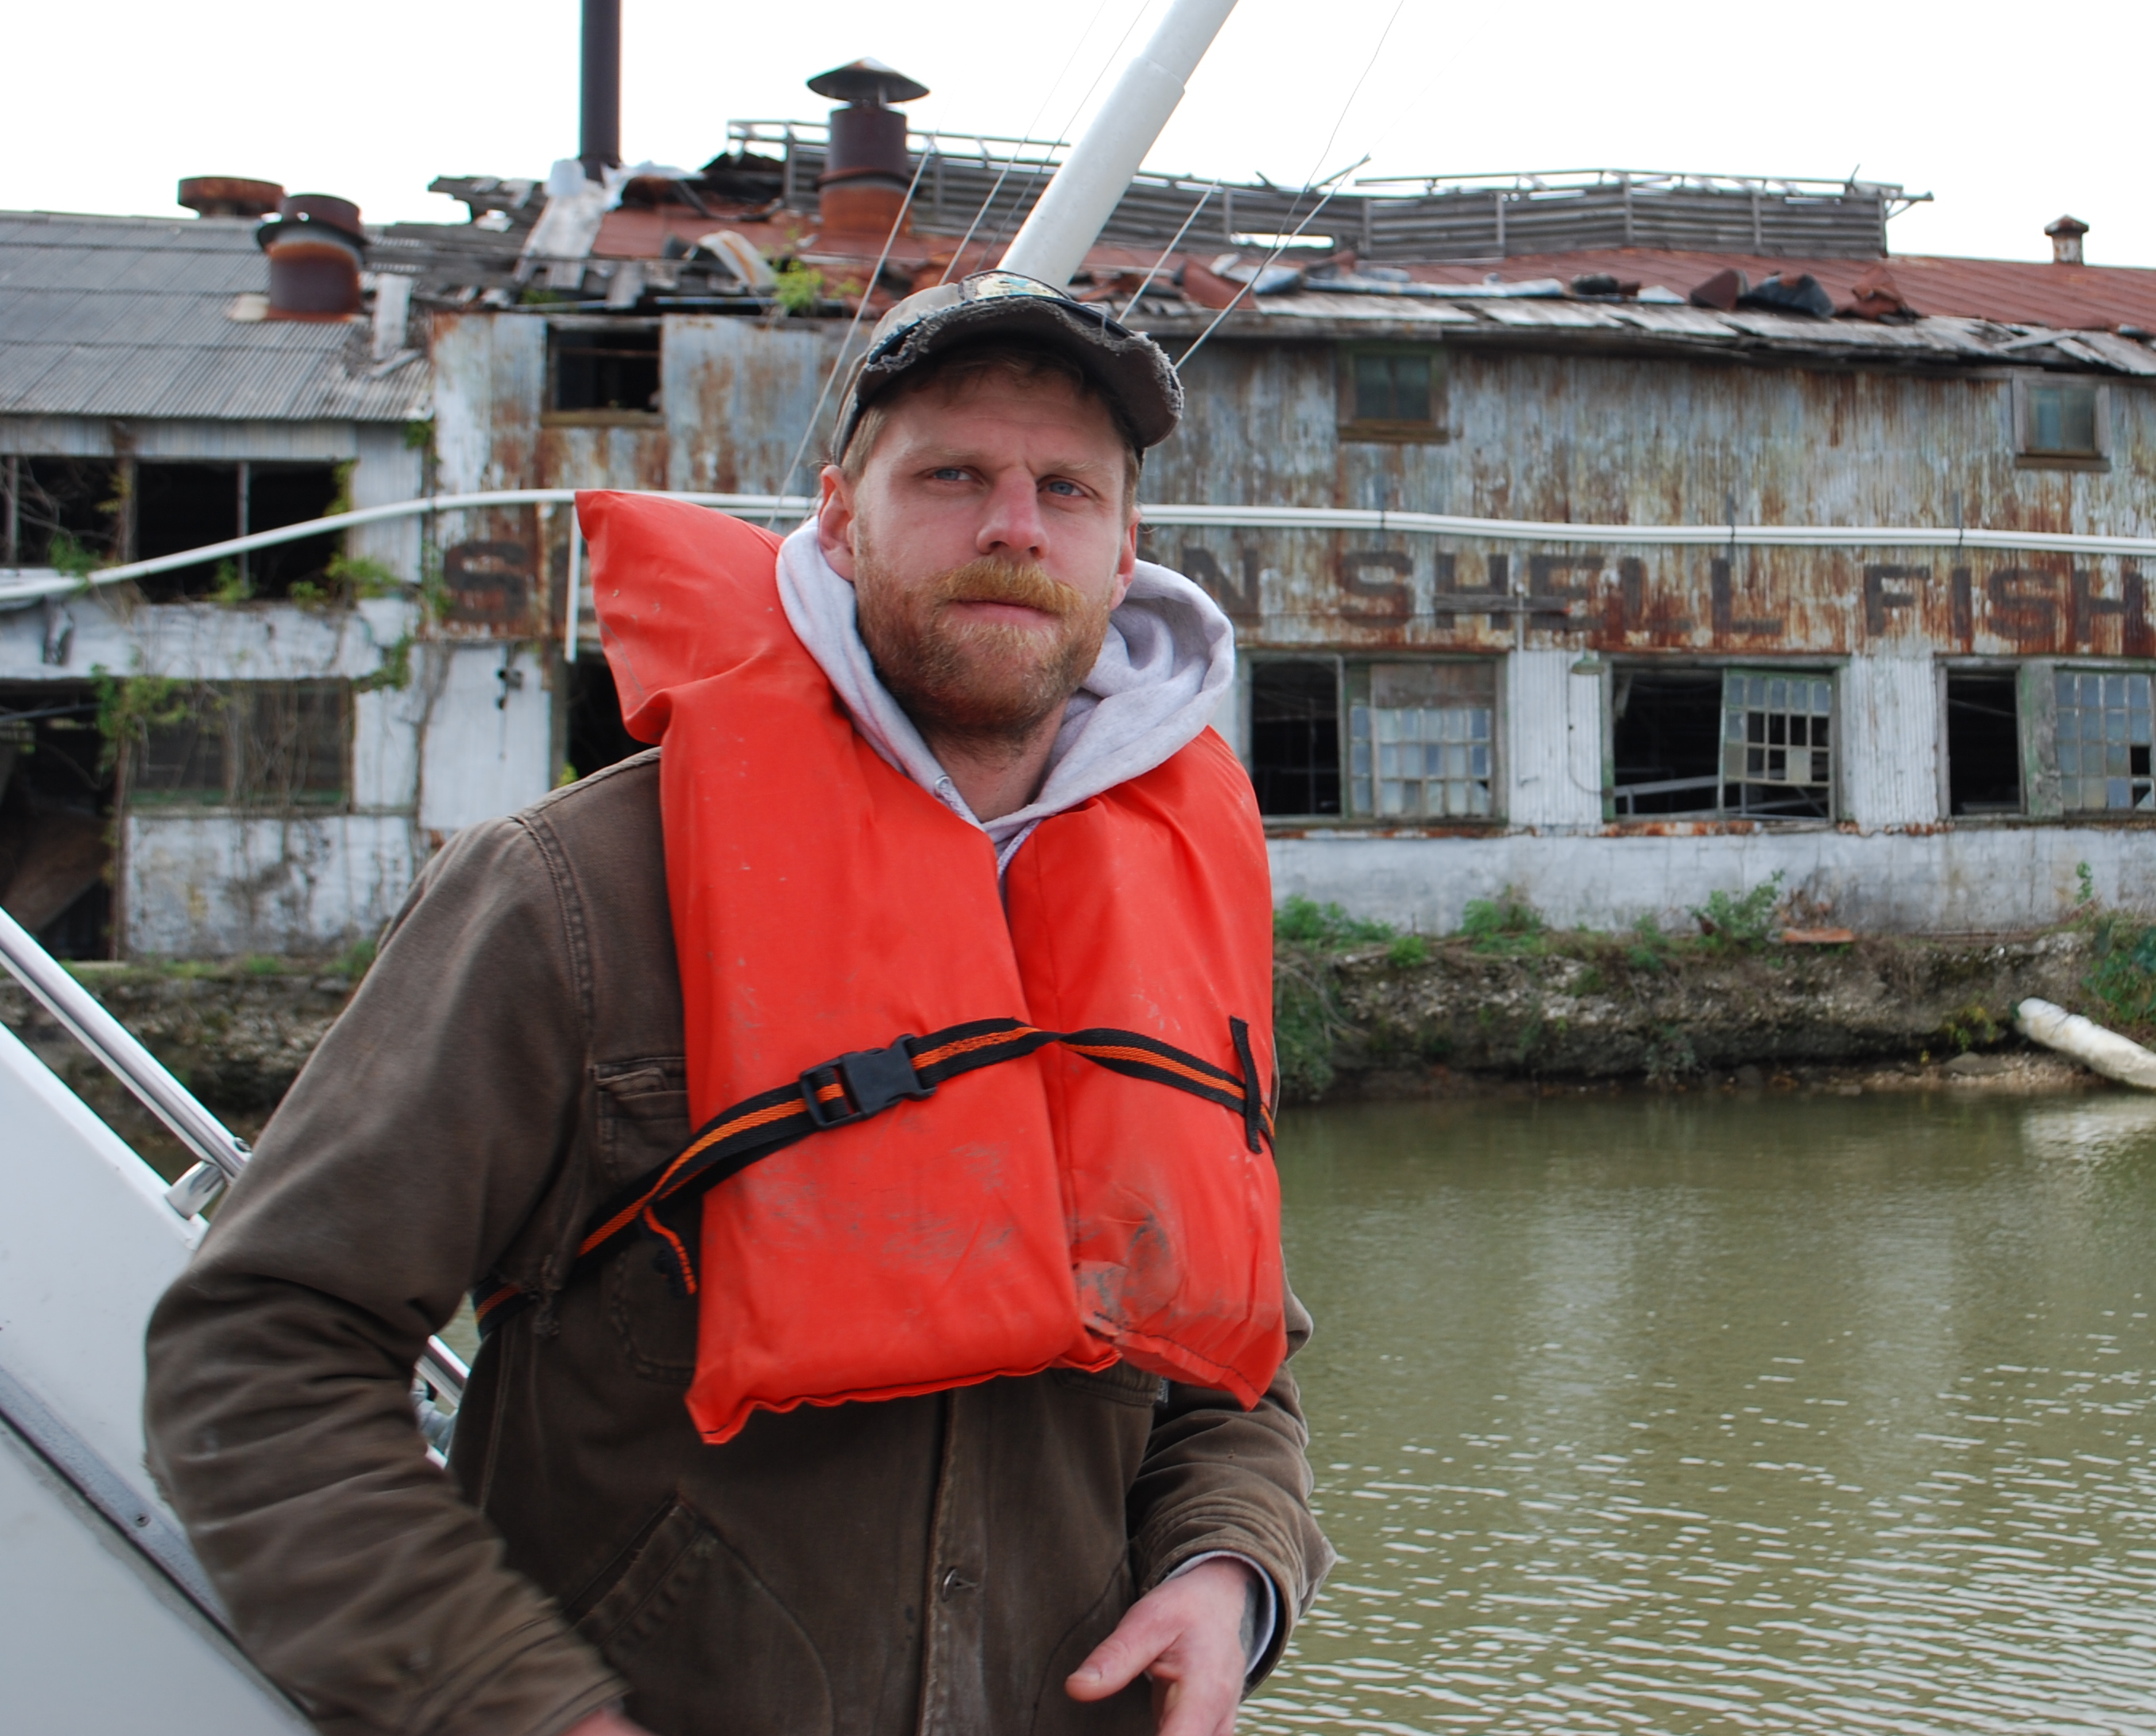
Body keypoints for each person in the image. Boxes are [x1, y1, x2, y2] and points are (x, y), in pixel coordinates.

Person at [145, 274, 1330, 1736]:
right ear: (837, 519)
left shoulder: (1181, 917)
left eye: (1066, 489)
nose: (1014, 526)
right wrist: (508, 1705)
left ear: (1123, 548)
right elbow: (259, 1349)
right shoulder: (567, 893)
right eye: (951, 475)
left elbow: (1229, 1371)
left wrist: (1229, 1568)